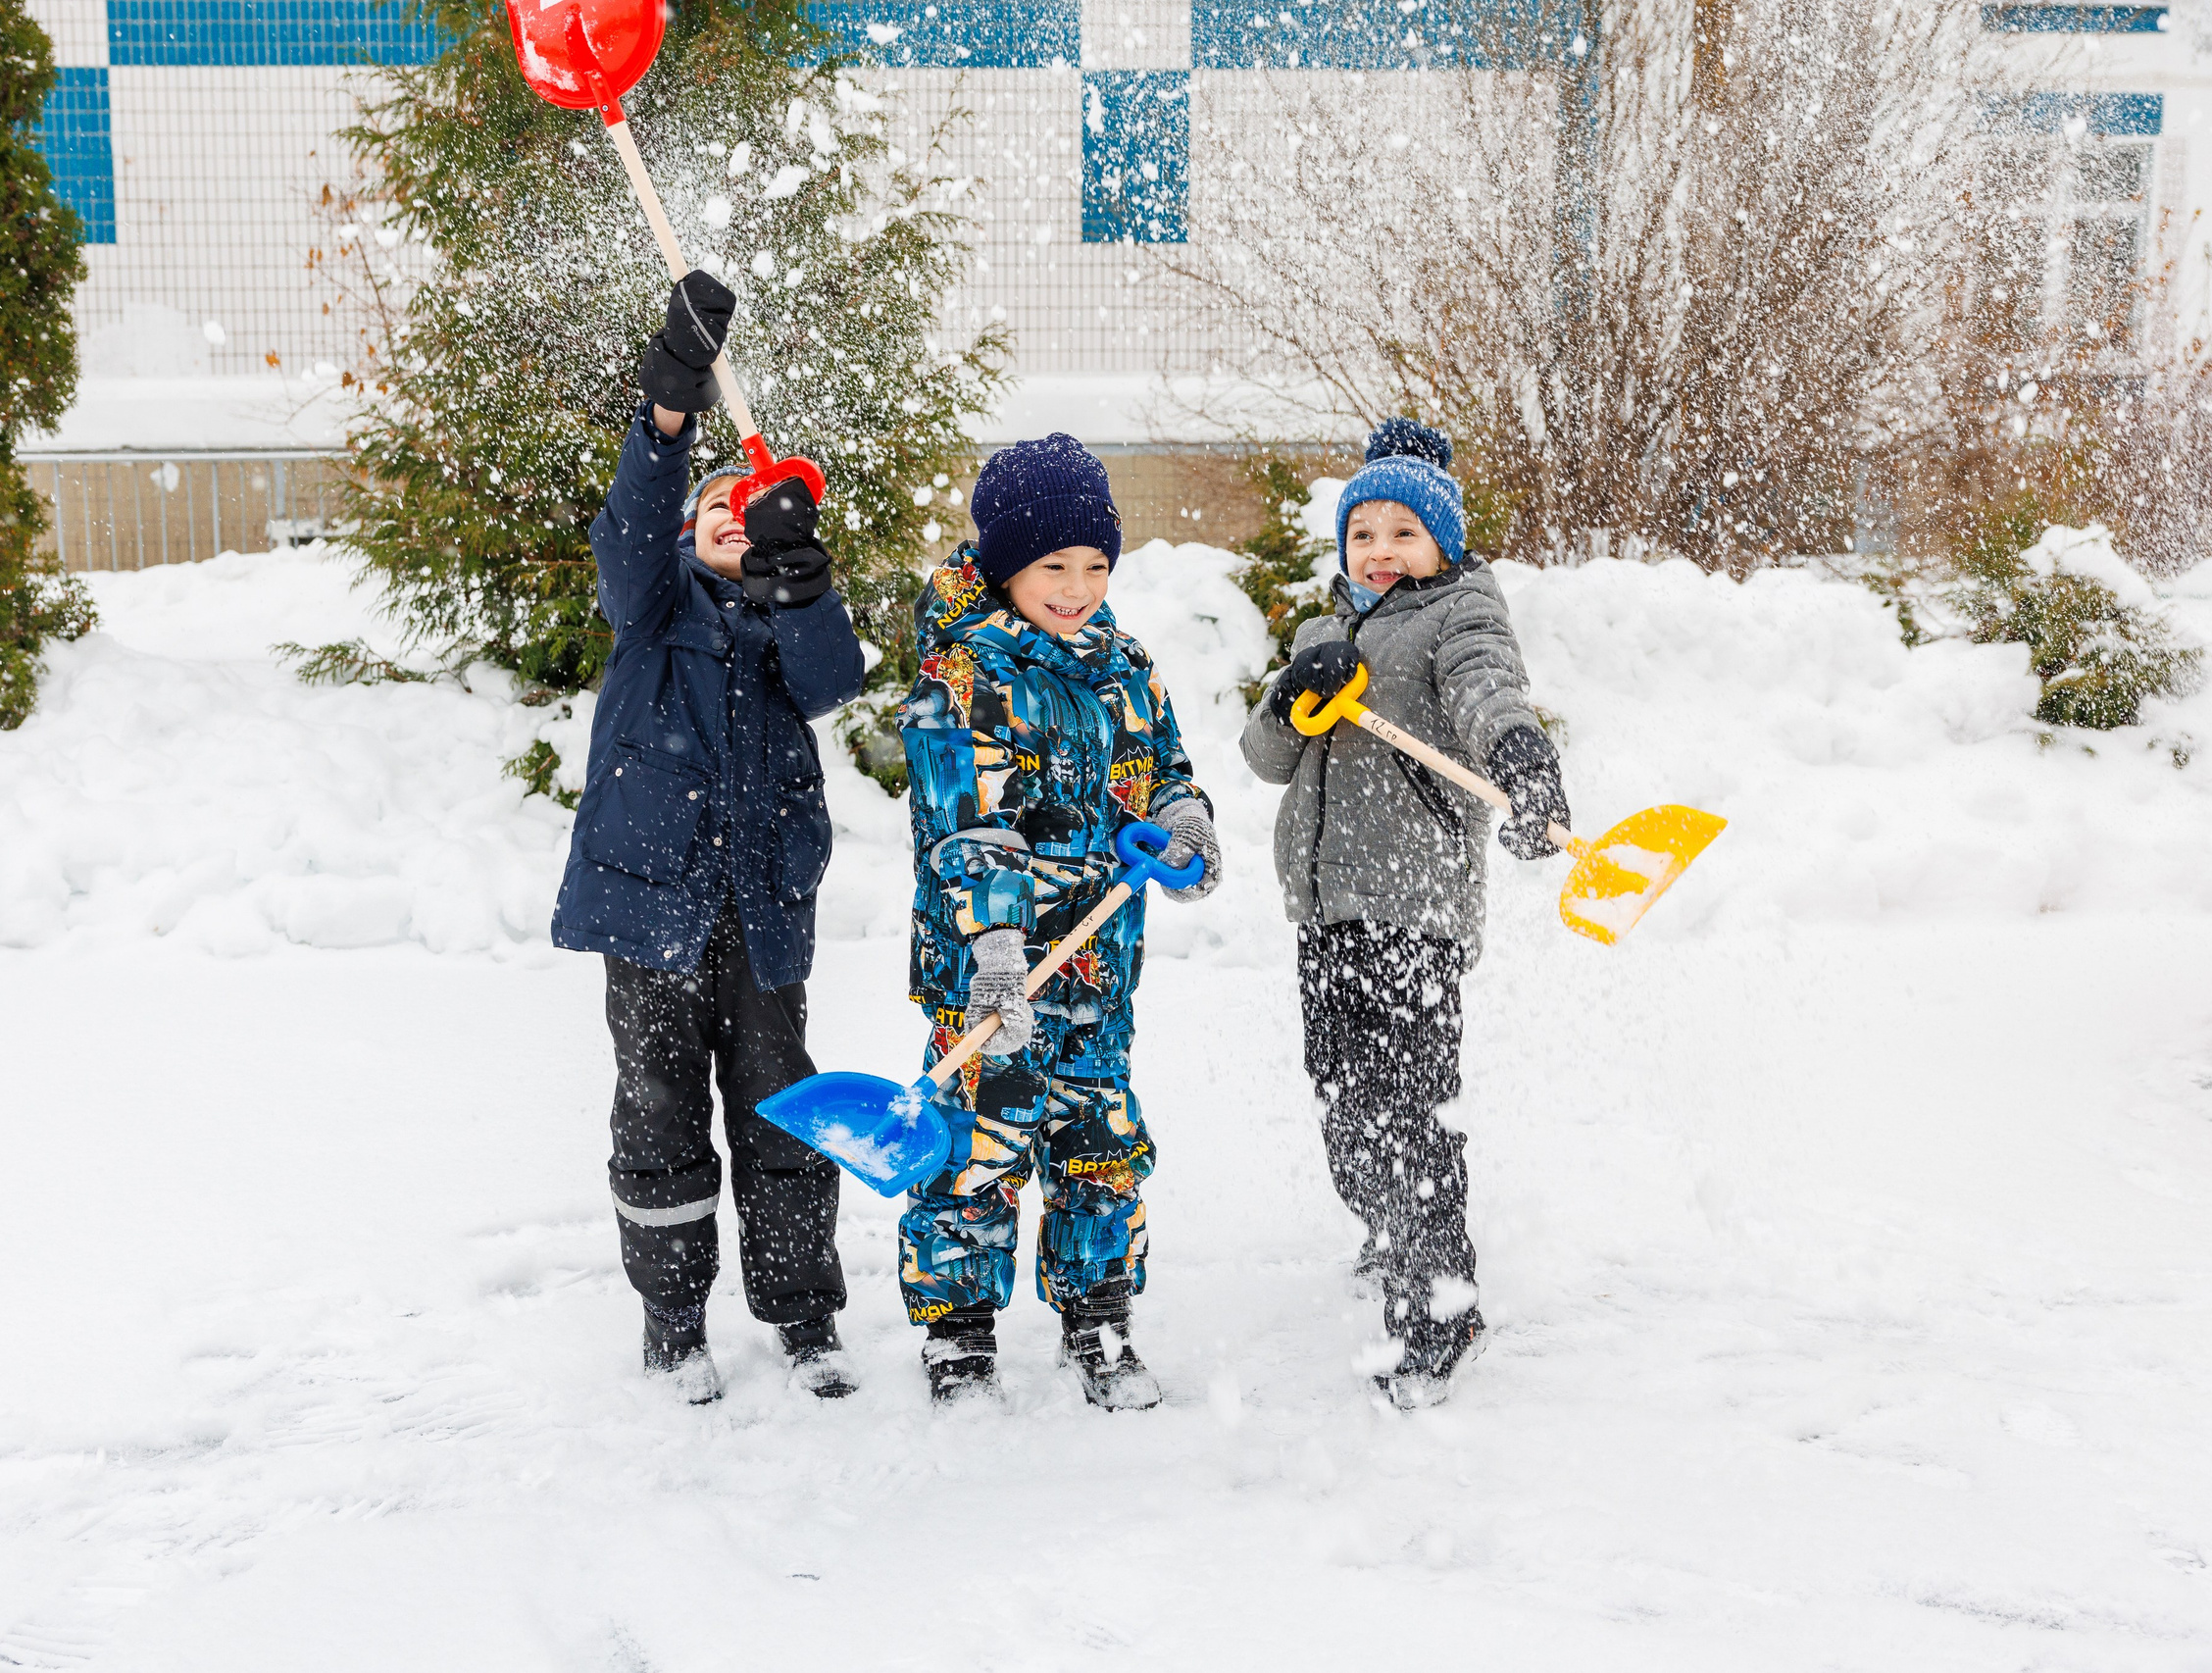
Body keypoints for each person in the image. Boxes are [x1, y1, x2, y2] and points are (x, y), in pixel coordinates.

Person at [551, 271, 867, 1404]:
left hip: (763, 907)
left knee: (779, 1103)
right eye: (718, 504)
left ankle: (803, 1313)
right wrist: (670, 408)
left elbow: (833, 679)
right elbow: (631, 520)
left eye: (762, 508)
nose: (738, 513)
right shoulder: (653, 604)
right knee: (658, 1106)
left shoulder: (792, 622)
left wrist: (807, 589)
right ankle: (672, 1318)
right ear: (692, 527)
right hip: (648, 904)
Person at [1239, 418, 1572, 1410]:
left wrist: (1519, 758)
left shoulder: (1461, 613)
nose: (1380, 552)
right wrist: (1288, 696)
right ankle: (1386, 1227)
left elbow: (1486, 691)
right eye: (1362, 535)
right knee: (1344, 1101)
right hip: (1326, 910)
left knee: (1409, 1111)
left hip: (1417, 909)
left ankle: (1439, 1301)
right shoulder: (1320, 635)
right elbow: (1266, 759)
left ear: (1444, 544)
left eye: (1403, 533)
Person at [895, 433, 1222, 1408]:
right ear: (1004, 564)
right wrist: (996, 949)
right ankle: (957, 1332)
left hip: (1098, 965)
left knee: (1099, 1139)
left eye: (1094, 564)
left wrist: (1183, 823)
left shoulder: (1124, 664)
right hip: (989, 972)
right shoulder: (963, 675)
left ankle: (1101, 1318)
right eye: (1052, 566)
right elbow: (966, 824)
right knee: (975, 1144)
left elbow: (1163, 769)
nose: (1077, 585)